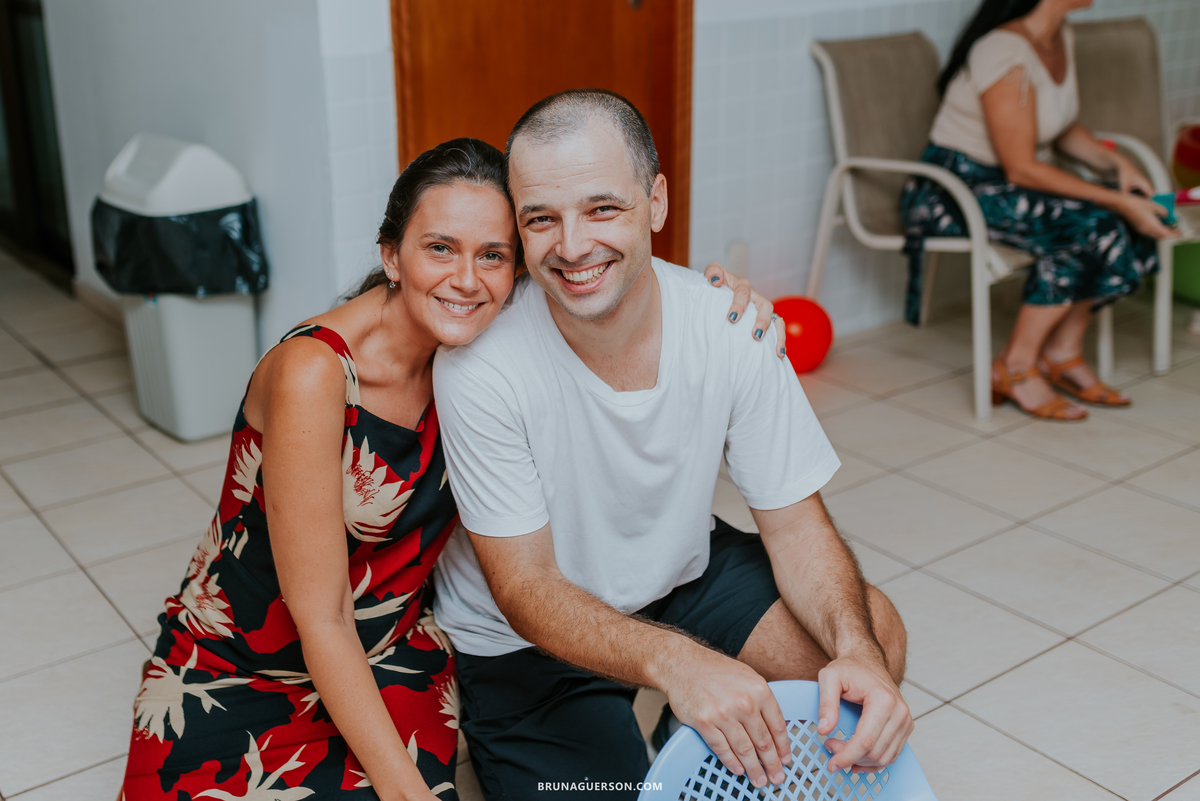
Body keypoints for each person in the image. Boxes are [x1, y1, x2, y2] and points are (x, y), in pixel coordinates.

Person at [119, 138, 777, 800]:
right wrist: (404, 789)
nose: (466, 278)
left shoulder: (492, 347)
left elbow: (622, 300)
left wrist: (720, 299)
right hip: (246, 655)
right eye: (440, 248)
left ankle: (678, 740)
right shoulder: (313, 374)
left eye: (491, 255)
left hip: (392, 654)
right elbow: (319, 617)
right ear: (391, 256)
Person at [432, 89, 911, 801]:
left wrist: (860, 655)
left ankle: (681, 730)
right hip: (528, 637)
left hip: (676, 577)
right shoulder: (480, 365)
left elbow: (797, 526)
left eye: (602, 208)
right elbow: (526, 589)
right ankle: (672, 703)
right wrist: (676, 662)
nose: (572, 246)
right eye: (542, 219)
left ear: (654, 202)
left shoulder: (729, 327)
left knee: (871, 637)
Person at [901, 0, 1180, 421]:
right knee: (1091, 225)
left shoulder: (1057, 35)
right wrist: (1117, 199)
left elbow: (1058, 124)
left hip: (1009, 181)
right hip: (956, 189)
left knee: (1124, 216)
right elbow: (1022, 167)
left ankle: (1062, 354)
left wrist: (1118, 165)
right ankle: (1014, 366)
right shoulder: (1001, 52)